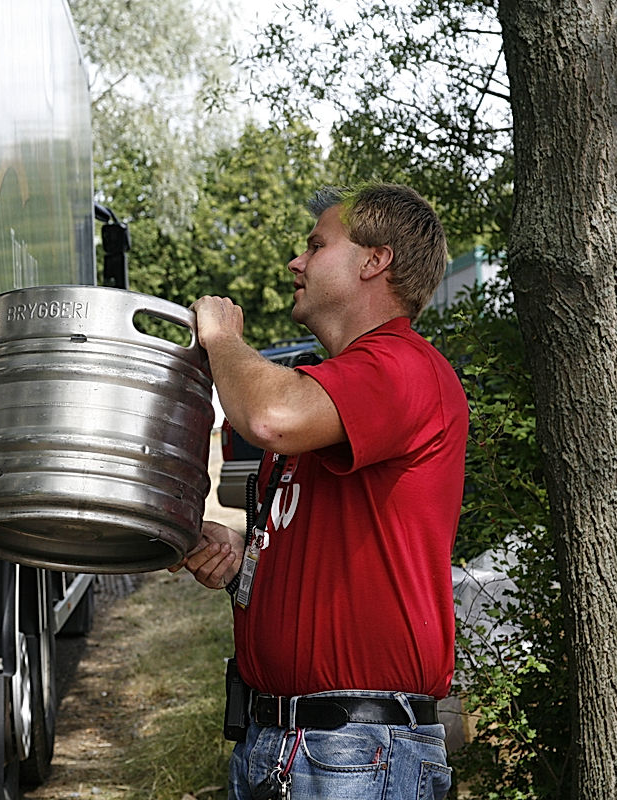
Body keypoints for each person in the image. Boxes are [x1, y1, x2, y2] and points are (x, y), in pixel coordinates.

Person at [181, 183, 468, 800]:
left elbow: (268, 417)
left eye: (316, 245)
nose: (296, 261)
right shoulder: (334, 394)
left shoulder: (404, 368)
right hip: (287, 745)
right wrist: (239, 557)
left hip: (355, 753)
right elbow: (317, 547)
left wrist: (224, 340)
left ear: (374, 261)